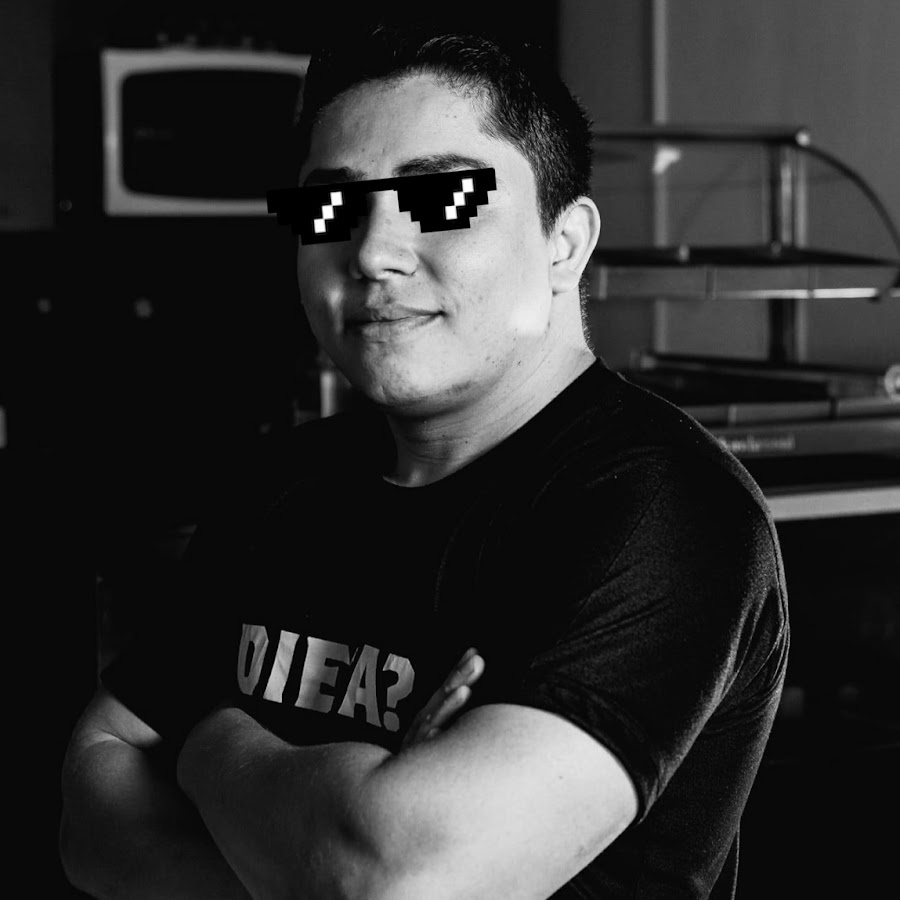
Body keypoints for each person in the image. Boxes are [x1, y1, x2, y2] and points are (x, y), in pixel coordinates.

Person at [59, 20, 789, 900]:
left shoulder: (662, 509)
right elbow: (89, 810)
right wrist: (321, 846)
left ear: (565, 243)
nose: (371, 253)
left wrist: (207, 742)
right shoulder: (279, 485)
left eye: (442, 199)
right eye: (331, 210)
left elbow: (397, 877)